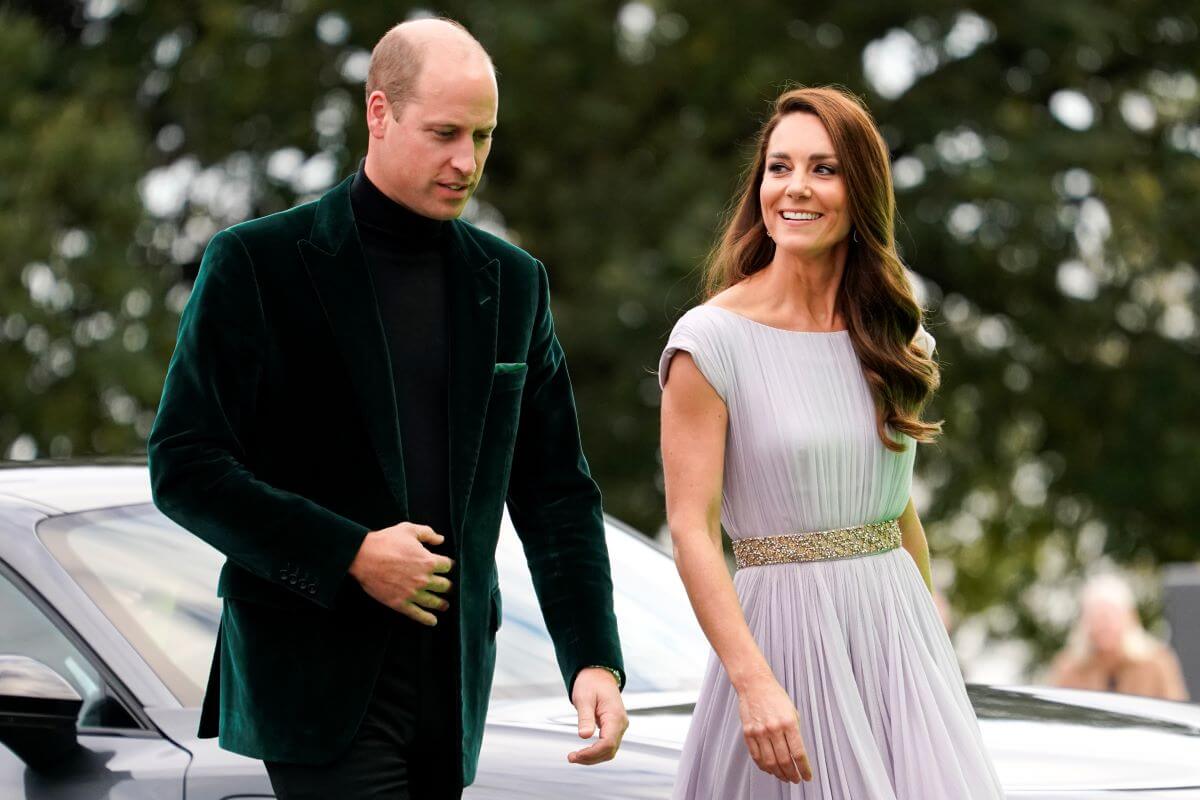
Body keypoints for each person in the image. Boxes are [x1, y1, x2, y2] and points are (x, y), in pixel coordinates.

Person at [148, 18, 626, 800]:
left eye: (483, 136)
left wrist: (593, 659)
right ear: (379, 113)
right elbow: (185, 465)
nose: (466, 161)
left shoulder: (514, 283)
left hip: (453, 680)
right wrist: (351, 554)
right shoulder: (257, 263)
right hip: (313, 676)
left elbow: (556, 492)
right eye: (444, 133)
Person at [659, 86, 1004, 798]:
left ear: (861, 190)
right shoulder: (709, 342)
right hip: (781, 649)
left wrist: (933, 659)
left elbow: (899, 515)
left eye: (823, 169)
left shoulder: (896, 339)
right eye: (779, 167)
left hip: (900, 648)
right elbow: (691, 530)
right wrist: (753, 684)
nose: (795, 188)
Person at [1048, 573, 1189, 700]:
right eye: (1096, 617)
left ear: (1129, 618)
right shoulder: (1070, 667)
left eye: (1110, 616)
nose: (1103, 624)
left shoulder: (1157, 664)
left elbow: (1176, 713)